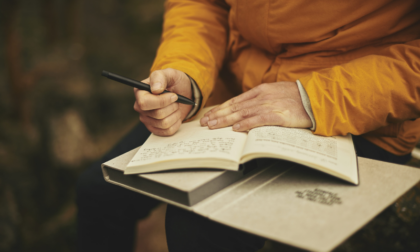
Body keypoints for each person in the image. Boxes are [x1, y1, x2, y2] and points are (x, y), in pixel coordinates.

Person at [76, 0, 420, 251]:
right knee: (99, 192)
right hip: (232, 95)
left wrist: (315, 98)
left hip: (358, 113)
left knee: (199, 229)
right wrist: (187, 71)